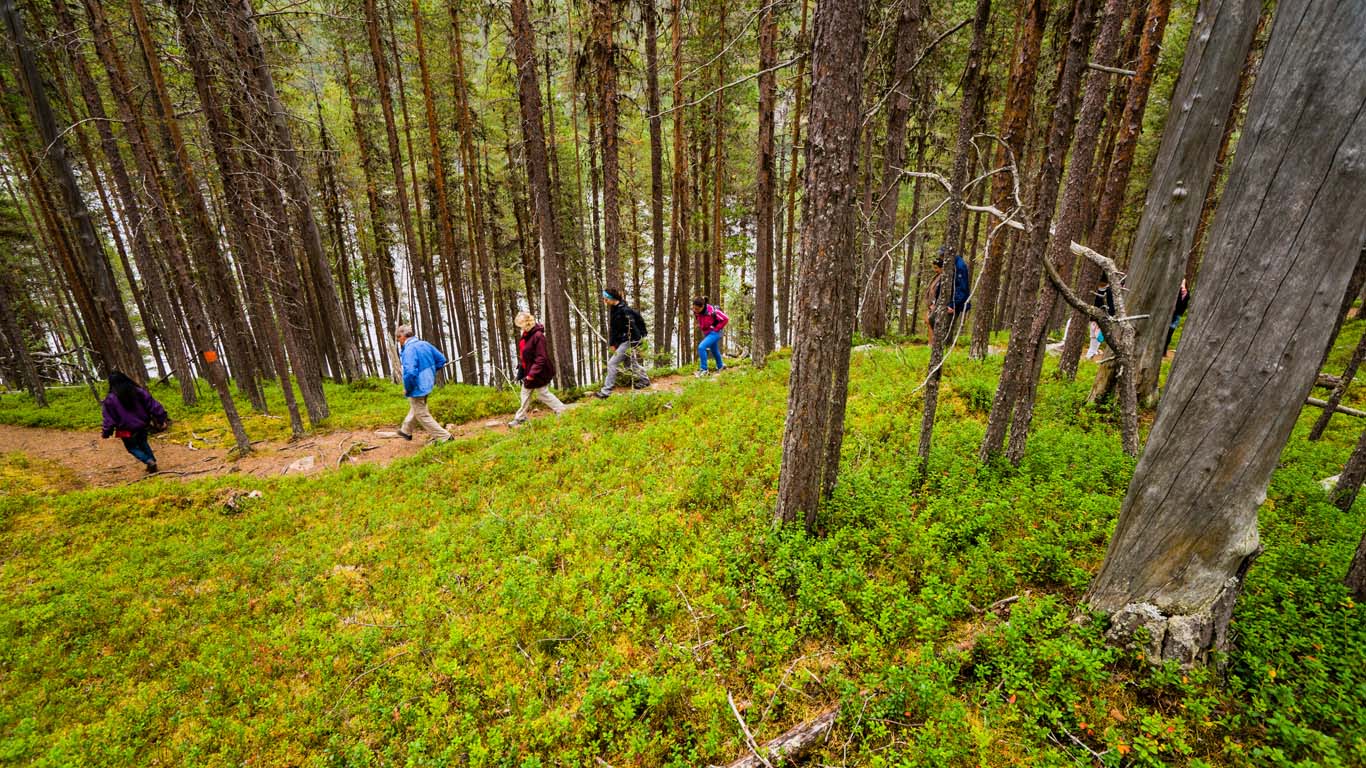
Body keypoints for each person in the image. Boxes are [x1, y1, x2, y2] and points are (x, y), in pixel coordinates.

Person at [100, 370, 169, 473]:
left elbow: (109, 419)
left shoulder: (110, 399)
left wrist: (106, 432)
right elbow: (153, 405)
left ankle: (148, 461)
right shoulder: (138, 391)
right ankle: (151, 461)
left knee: (131, 447)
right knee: (143, 442)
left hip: (124, 429)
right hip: (142, 424)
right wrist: (161, 417)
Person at [395, 324, 452, 443]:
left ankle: (445, 437)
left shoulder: (409, 350)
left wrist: (408, 389)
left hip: (417, 385)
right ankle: (406, 430)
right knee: (417, 406)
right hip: (428, 383)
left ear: (402, 336)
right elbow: (441, 360)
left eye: (397, 338)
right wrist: (429, 372)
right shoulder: (425, 344)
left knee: (422, 414)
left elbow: (410, 373)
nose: (398, 341)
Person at [511, 311, 567, 426]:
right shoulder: (526, 335)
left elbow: (541, 358)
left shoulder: (538, 336)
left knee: (542, 393)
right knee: (526, 393)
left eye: (520, 325)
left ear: (526, 324)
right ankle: (520, 417)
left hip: (539, 372)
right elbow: (524, 354)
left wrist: (532, 374)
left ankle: (562, 410)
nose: (520, 328)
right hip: (530, 371)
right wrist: (521, 369)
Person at [594, 288, 652, 399]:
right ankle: (645, 380)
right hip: (622, 341)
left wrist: (637, 343)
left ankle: (606, 391)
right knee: (630, 364)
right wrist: (613, 343)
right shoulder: (615, 309)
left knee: (612, 363)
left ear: (612, 298)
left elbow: (634, 326)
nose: (604, 301)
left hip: (628, 341)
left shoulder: (624, 311)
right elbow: (614, 329)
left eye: (606, 299)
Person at [927, 246, 971, 345]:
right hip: (943, 300)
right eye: (941, 255)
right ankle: (939, 345)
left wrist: (953, 304)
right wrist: (935, 301)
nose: (941, 257)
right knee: (932, 319)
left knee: (947, 324)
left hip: (954, 303)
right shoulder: (948, 264)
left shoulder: (960, 266)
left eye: (942, 255)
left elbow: (961, 288)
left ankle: (945, 347)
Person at [692, 296, 729, 376]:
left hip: (716, 333)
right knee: (714, 350)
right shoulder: (697, 311)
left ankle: (704, 370)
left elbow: (726, 318)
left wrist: (716, 328)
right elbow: (701, 319)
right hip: (708, 333)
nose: (695, 310)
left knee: (701, 347)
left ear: (702, 306)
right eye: (694, 308)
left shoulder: (712, 311)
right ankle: (721, 366)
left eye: (697, 309)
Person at [1087, 275, 1116, 359]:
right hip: (1089, 315)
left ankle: (1089, 356)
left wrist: (1105, 318)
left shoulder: (1109, 291)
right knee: (1070, 322)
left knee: (1095, 338)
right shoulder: (1093, 288)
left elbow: (1112, 308)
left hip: (1100, 319)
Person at [1165, 279, 1190, 355]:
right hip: (1170, 314)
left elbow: (1184, 306)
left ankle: (1165, 350)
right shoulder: (1176, 293)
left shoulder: (1187, 295)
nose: (1182, 287)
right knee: (1165, 332)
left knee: (1170, 332)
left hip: (1177, 316)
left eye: (1183, 285)